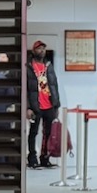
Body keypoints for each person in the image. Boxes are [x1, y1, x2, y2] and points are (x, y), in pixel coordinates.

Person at [25, 39, 61, 169]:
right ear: (34, 51)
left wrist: (56, 105)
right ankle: (32, 159)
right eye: (39, 49)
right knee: (33, 133)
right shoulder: (28, 66)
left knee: (48, 133)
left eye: (43, 49)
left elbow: (54, 85)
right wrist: (28, 107)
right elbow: (26, 89)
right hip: (36, 105)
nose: (42, 51)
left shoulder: (48, 66)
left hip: (49, 105)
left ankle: (45, 158)